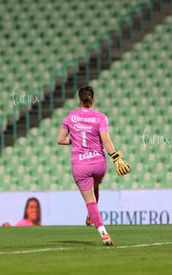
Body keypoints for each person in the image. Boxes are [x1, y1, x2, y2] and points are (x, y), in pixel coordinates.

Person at [57, 85, 130, 246]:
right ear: (93, 99)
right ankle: (91, 215)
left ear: (79, 100)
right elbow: (106, 140)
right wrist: (116, 158)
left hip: (80, 165)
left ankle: (103, 233)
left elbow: (60, 140)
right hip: (99, 163)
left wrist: (74, 140)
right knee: (95, 185)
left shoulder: (71, 116)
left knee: (90, 201)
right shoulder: (101, 117)